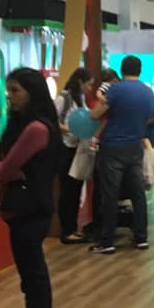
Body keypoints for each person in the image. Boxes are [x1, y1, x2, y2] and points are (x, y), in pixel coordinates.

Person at [0, 68, 61, 308]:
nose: (10, 96)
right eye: (9, 90)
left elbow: (4, 169)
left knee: (34, 282)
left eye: (16, 90)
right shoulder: (35, 126)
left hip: (29, 211)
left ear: (32, 92)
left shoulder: (35, 129)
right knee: (32, 281)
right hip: (30, 209)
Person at [89, 56, 154, 255]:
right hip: (135, 146)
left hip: (113, 147)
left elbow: (94, 114)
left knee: (110, 195)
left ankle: (107, 241)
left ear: (122, 69)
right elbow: (153, 116)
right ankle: (141, 238)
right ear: (140, 70)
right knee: (138, 194)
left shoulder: (115, 90)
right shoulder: (147, 91)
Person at [54, 67, 93, 244]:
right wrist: (68, 129)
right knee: (67, 190)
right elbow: (52, 120)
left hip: (78, 147)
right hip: (65, 147)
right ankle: (66, 230)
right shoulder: (63, 98)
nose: (89, 88)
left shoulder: (81, 99)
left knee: (76, 188)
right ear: (80, 82)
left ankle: (74, 226)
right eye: (88, 84)